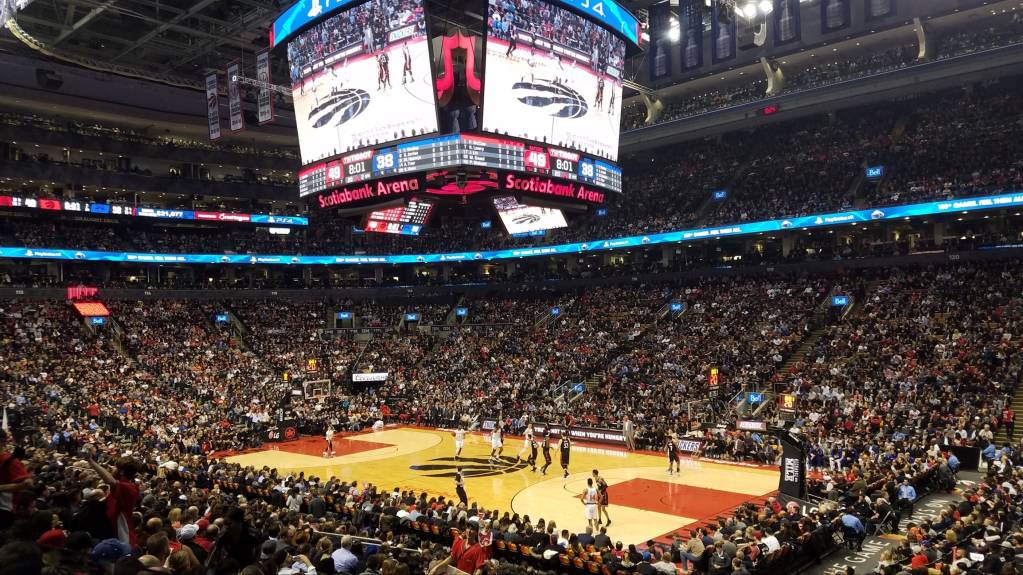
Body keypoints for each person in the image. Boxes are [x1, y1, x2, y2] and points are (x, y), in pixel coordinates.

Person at [86, 449, 140, 546]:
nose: (113, 469)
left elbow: (110, 481)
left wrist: (91, 461)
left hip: (120, 531)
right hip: (110, 527)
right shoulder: (125, 485)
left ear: (122, 472)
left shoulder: (129, 487)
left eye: (116, 467)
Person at [0, 430, 32, 530]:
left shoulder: (10, 460)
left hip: (3, 510)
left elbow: (28, 483)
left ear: (2, 441)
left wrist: (1, 488)